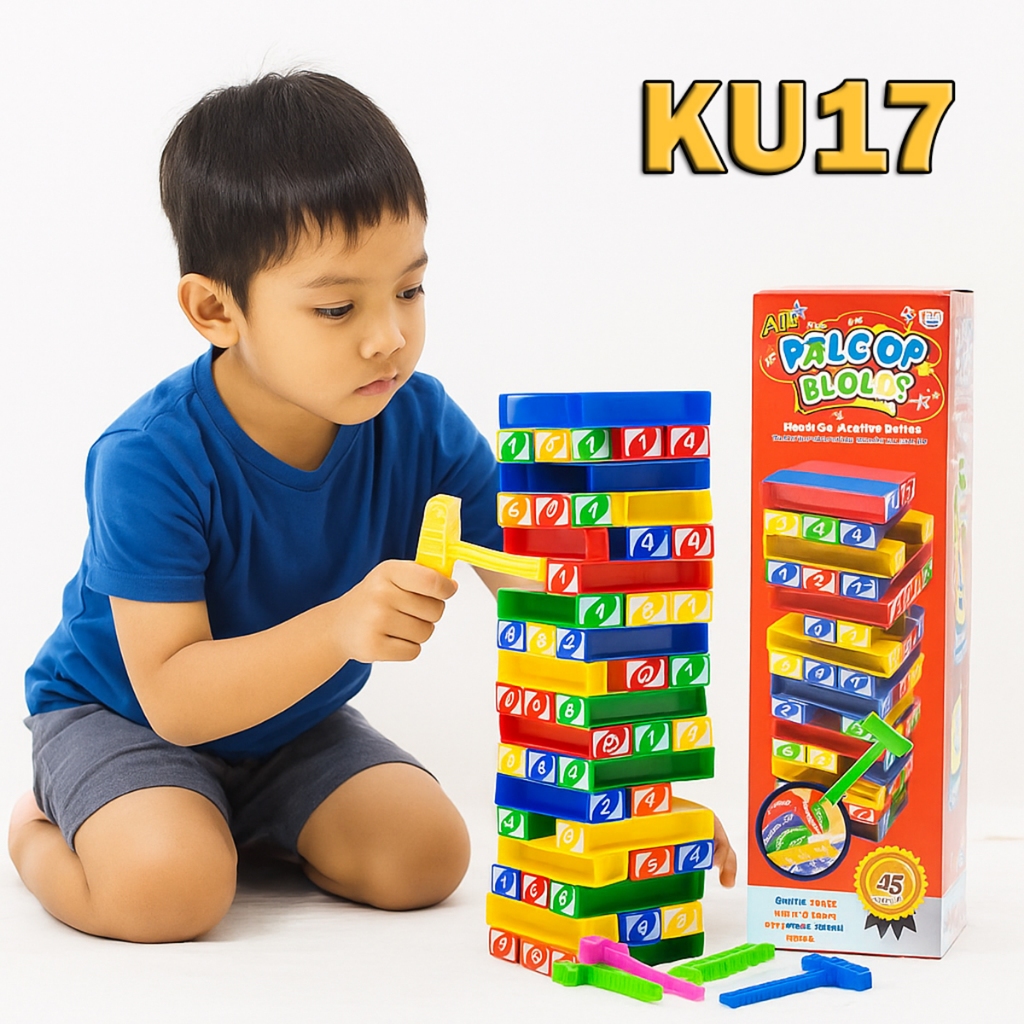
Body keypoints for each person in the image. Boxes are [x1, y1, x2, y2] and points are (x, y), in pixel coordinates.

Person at [8, 71, 735, 944]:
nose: (388, 335)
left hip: (290, 728)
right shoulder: (149, 458)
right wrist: (339, 629)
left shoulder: (420, 424)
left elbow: (556, 593)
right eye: (336, 306)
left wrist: (640, 794)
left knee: (426, 858)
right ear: (214, 309)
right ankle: (40, 830)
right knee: (169, 894)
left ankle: (228, 823)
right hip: (123, 717)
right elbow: (175, 699)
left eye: (410, 290)